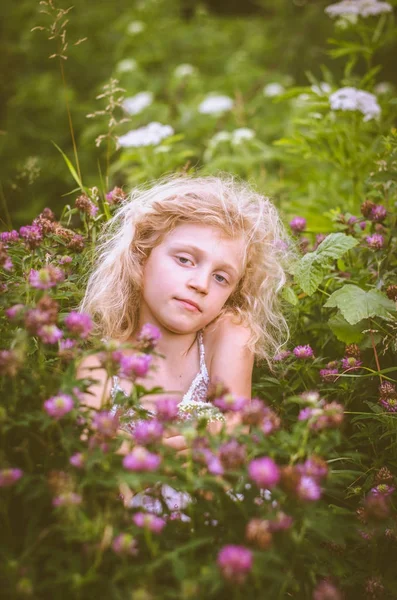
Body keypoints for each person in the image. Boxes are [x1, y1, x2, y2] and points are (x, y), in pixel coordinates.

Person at [76, 174, 291, 503]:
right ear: (141, 255)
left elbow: (233, 439)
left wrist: (146, 453)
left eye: (221, 277)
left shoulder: (227, 335)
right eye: (185, 260)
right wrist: (168, 456)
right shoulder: (99, 368)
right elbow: (95, 469)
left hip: (216, 505)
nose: (201, 283)